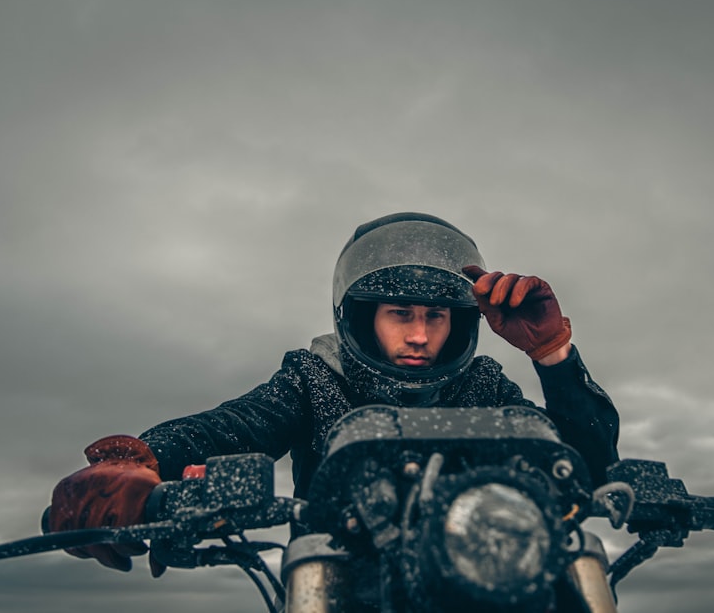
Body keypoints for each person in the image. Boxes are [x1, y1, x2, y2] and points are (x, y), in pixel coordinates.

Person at [49, 212, 620, 575]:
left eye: (437, 316)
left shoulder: (484, 385)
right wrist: (139, 465)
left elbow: (583, 466)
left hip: (489, 578)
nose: (420, 334)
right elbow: (233, 426)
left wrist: (552, 355)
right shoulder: (315, 378)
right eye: (400, 313)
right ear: (364, 317)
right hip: (340, 582)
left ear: (460, 322)